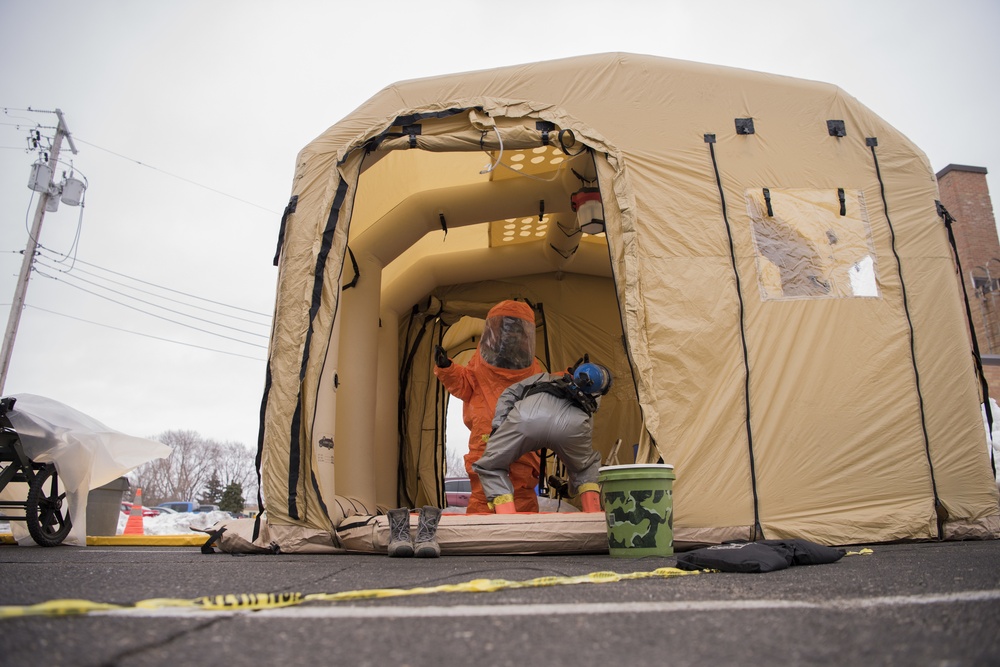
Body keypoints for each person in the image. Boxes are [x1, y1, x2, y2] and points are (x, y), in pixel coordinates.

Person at [434, 300, 544, 513]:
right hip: (489, 442)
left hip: (520, 445)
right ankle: (487, 540)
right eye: (506, 327)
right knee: (485, 493)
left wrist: (573, 378)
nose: (510, 334)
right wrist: (446, 368)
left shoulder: (532, 371)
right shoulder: (480, 364)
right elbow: (464, 384)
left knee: (520, 493)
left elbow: (549, 390)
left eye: (516, 328)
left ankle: (521, 540)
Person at [472, 362, 612, 514]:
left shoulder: (545, 378)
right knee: (585, 469)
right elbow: (581, 450)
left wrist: (499, 427)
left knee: (491, 466)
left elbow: (509, 394)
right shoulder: (591, 402)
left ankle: (507, 517)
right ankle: (592, 515)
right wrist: (571, 489)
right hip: (573, 427)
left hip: (525, 419)